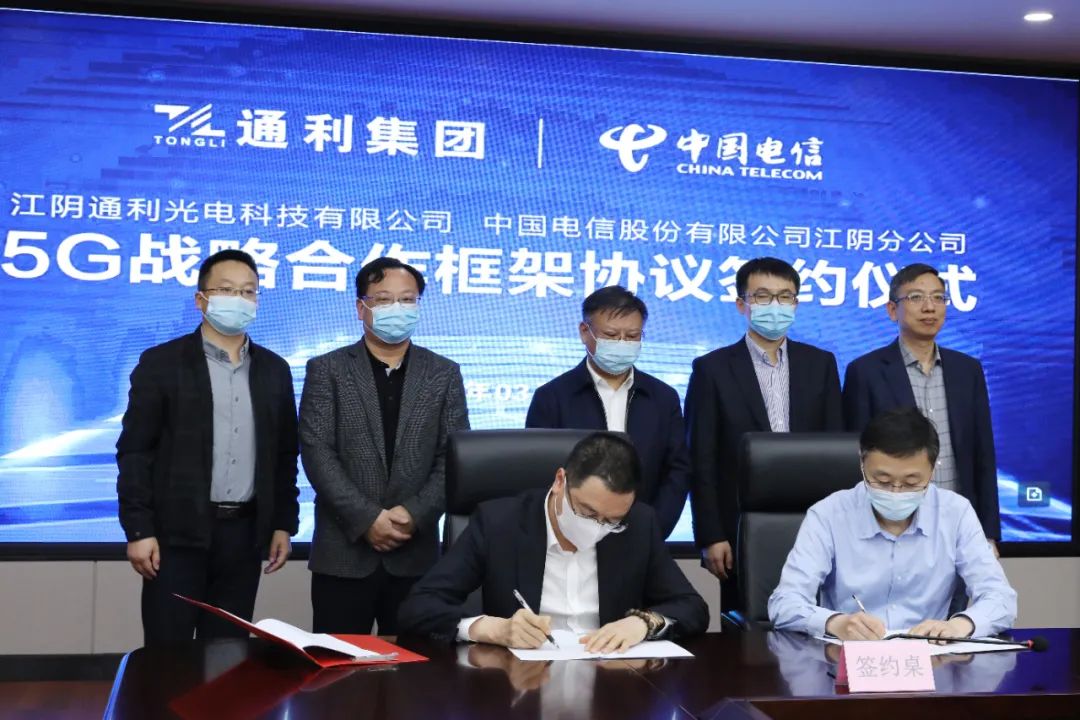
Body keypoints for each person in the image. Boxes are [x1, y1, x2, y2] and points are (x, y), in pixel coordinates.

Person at [116, 249, 299, 646]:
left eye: (248, 292)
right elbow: (135, 452)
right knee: (169, 654)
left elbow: (285, 455)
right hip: (175, 535)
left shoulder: (274, 370)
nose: (239, 300)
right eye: (227, 290)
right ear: (201, 300)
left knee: (228, 654)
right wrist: (139, 528)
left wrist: (283, 522)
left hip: (244, 536)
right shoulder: (162, 363)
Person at [398, 432, 709, 650]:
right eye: (587, 512)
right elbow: (418, 608)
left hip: (610, 683)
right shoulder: (499, 523)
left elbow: (692, 607)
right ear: (561, 481)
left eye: (611, 521)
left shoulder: (639, 524)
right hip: (520, 685)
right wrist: (491, 629)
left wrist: (644, 623)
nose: (596, 527)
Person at [300, 257, 469, 634]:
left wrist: (413, 514)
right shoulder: (327, 369)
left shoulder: (443, 373)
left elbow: (455, 457)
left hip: (416, 555)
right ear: (361, 307)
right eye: (383, 299)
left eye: (407, 300)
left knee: (418, 666)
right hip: (343, 555)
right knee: (338, 666)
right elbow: (317, 452)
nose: (397, 308)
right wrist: (367, 519)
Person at [768, 407, 1016, 641]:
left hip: (929, 659)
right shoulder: (828, 515)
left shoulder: (955, 513)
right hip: (848, 660)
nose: (896, 492)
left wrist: (957, 626)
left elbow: (1000, 598)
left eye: (911, 482)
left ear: (932, 470)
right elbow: (784, 603)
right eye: (882, 481)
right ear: (862, 463)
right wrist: (836, 623)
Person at [685, 256, 843, 611]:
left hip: (815, 523)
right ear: (741, 304)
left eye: (785, 296)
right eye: (762, 296)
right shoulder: (712, 369)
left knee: (819, 623)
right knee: (745, 631)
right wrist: (711, 535)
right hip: (740, 528)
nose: (775, 305)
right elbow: (701, 458)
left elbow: (836, 452)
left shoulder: (820, 364)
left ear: (796, 304)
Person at [843, 263, 1000, 547]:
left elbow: (983, 454)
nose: (930, 307)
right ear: (893, 310)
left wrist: (988, 532)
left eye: (938, 298)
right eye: (916, 297)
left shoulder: (968, 370)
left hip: (958, 522)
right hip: (891, 523)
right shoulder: (865, 371)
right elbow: (855, 457)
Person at [525, 286, 690, 538]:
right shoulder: (552, 397)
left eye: (632, 336)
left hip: (642, 532)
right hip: (570, 535)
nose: (622, 343)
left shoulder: (662, 398)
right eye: (611, 335)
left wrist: (653, 527)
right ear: (584, 332)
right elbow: (538, 472)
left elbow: (677, 470)